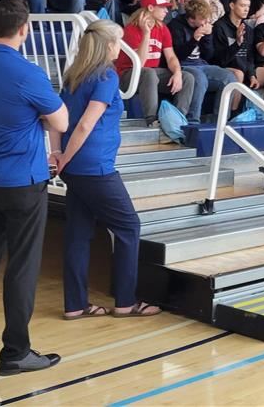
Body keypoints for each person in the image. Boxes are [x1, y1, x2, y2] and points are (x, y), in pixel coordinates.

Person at [0, 0, 67, 375]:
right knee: (22, 267)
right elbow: (62, 121)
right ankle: (16, 351)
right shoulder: (28, 73)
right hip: (22, 181)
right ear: (25, 29)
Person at [49, 20, 160, 320]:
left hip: (76, 168)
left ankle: (75, 304)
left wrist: (58, 155)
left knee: (78, 233)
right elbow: (85, 124)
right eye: (118, 41)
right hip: (94, 167)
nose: (120, 47)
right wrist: (66, 158)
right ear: (108, 45)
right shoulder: (106, 75)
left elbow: (56, 120)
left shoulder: (74, 75)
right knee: (128, 227)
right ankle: (125, 301)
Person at [116, 0, 196, 128]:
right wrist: (146, 33)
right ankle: (152, 120)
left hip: (151, 74)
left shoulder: (162, 28)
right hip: (127, 76)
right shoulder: (131, 29)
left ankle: (177, 121)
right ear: (151, 8)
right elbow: (139, 64)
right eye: (163, 7)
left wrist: (177, 73)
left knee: (187, 77)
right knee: (148, 73)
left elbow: (171, 57)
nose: (166, 10)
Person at [167, 0, 236, 124]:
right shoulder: (175, 26)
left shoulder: (205, 26)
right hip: (182, 65)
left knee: (229, 77)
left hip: (201, 64)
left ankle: (220, 120)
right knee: (199, 77)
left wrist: (208, 37)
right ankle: (193, 120)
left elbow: (208, 55)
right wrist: (195, 38)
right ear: (192, 19)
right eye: (203, 19)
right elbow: (178, 55)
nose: (207, 21)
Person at [214, 0, 264, 107]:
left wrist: (252, 74)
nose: (246, 9)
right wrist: (237, 43)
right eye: (242, 5)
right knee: (239, 74)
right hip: (226, 68)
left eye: (248, 6)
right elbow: (219, 60)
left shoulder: (247, 29)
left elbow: (250, 56)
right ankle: (232, 117)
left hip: (244, 69)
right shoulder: (219, 27)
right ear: (232, 5)